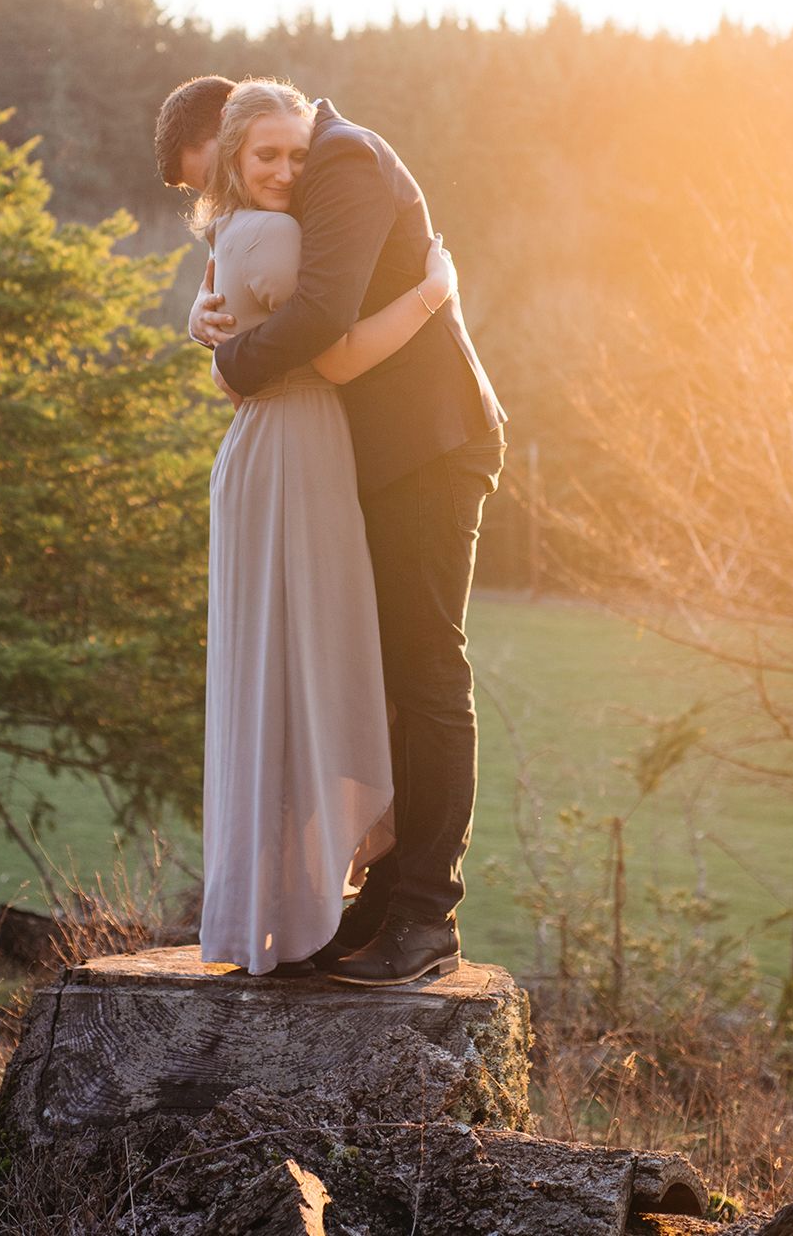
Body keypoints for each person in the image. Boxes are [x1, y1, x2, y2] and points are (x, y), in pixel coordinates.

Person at [155, 74, 505, 987]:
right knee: (386, 670)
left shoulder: (341, 159)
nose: (263, 179)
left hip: (430, 447)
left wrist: (229, 361)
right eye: (231, 179)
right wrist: (205, 306)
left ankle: (428, 914)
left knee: (427, 666)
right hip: (371, 456)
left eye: (271, 158)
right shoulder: (301, 174)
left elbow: (318, 320)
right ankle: (383, 903)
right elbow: (262, 267)